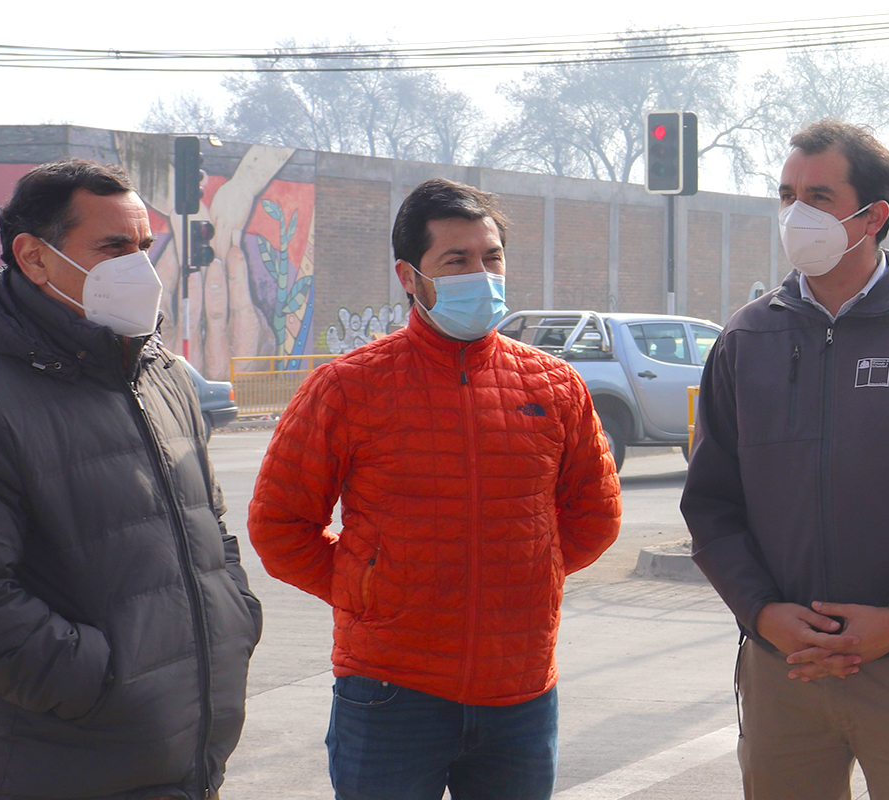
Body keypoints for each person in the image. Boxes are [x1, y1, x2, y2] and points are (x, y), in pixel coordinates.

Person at [680, 119, 889, 800]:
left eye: (818, 196)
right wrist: (762, 613)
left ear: (874, 216)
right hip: (785, 668)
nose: (795, 214)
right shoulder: (747, 338)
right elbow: (712, 503)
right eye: (786, 195)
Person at [248, 178, 621, 800]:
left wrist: (533, 571)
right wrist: (370, 587)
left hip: (520, 693)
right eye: (457, 261)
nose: (481, 274)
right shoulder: (348, 386)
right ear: (408, 276)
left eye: (491, 257)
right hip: (391, 690)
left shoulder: (553, 384)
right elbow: (279, 525)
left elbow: (595, 513)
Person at [0, 159, 261, 799]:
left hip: (183, 765)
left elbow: (208, 530)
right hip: (53, 770)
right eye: (112, 248)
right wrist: (105, 683)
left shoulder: (164, 375)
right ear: (34, 258)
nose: (138, 267)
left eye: (144, 247)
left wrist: (234, 623)